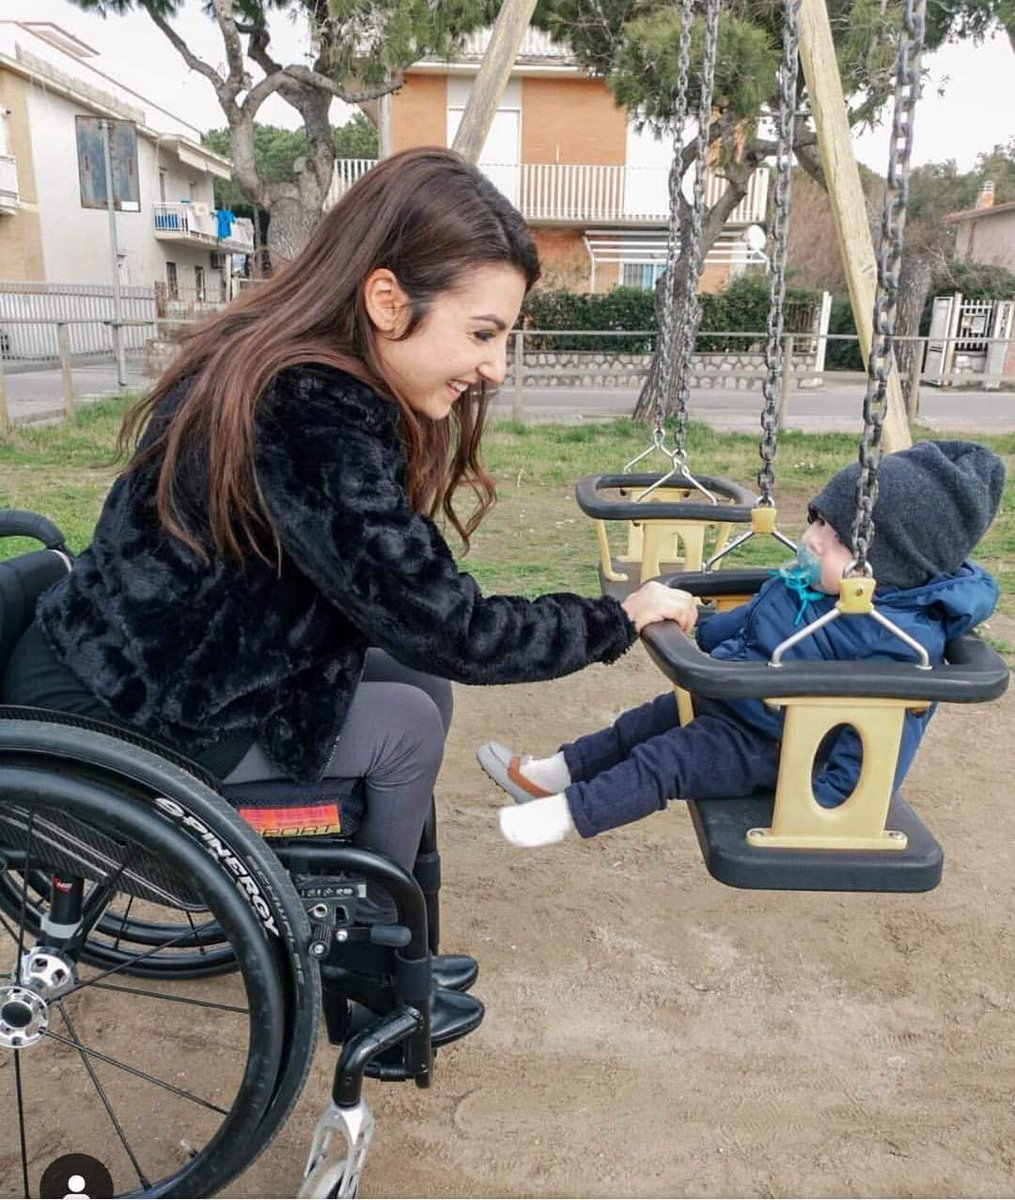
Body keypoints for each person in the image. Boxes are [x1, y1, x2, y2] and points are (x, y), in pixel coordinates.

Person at [1, 147, 691, 1039]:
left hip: (138, 674)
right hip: (123, 729)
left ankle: (381, 937)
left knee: (417, 683)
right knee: (405, 727)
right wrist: (612, 620)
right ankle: (366, 968)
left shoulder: (298, 378)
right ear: (386, 301)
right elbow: (454, 626)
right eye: (483, 333)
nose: (497, 368)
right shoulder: (309, 414)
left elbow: (405, 606)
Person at [479, 440, 1005, 848]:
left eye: (839, 537)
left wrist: (829, 806)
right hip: (734, 703)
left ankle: (565, 815)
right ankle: (549, 776)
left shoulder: (902, 642)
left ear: (892, 566)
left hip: (776, 746)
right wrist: (700, 628)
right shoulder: (812, 588)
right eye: (819, 520)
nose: (814, 539)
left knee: (666, 760)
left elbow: (884, 740)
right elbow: (757, 619)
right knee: (637, 726)